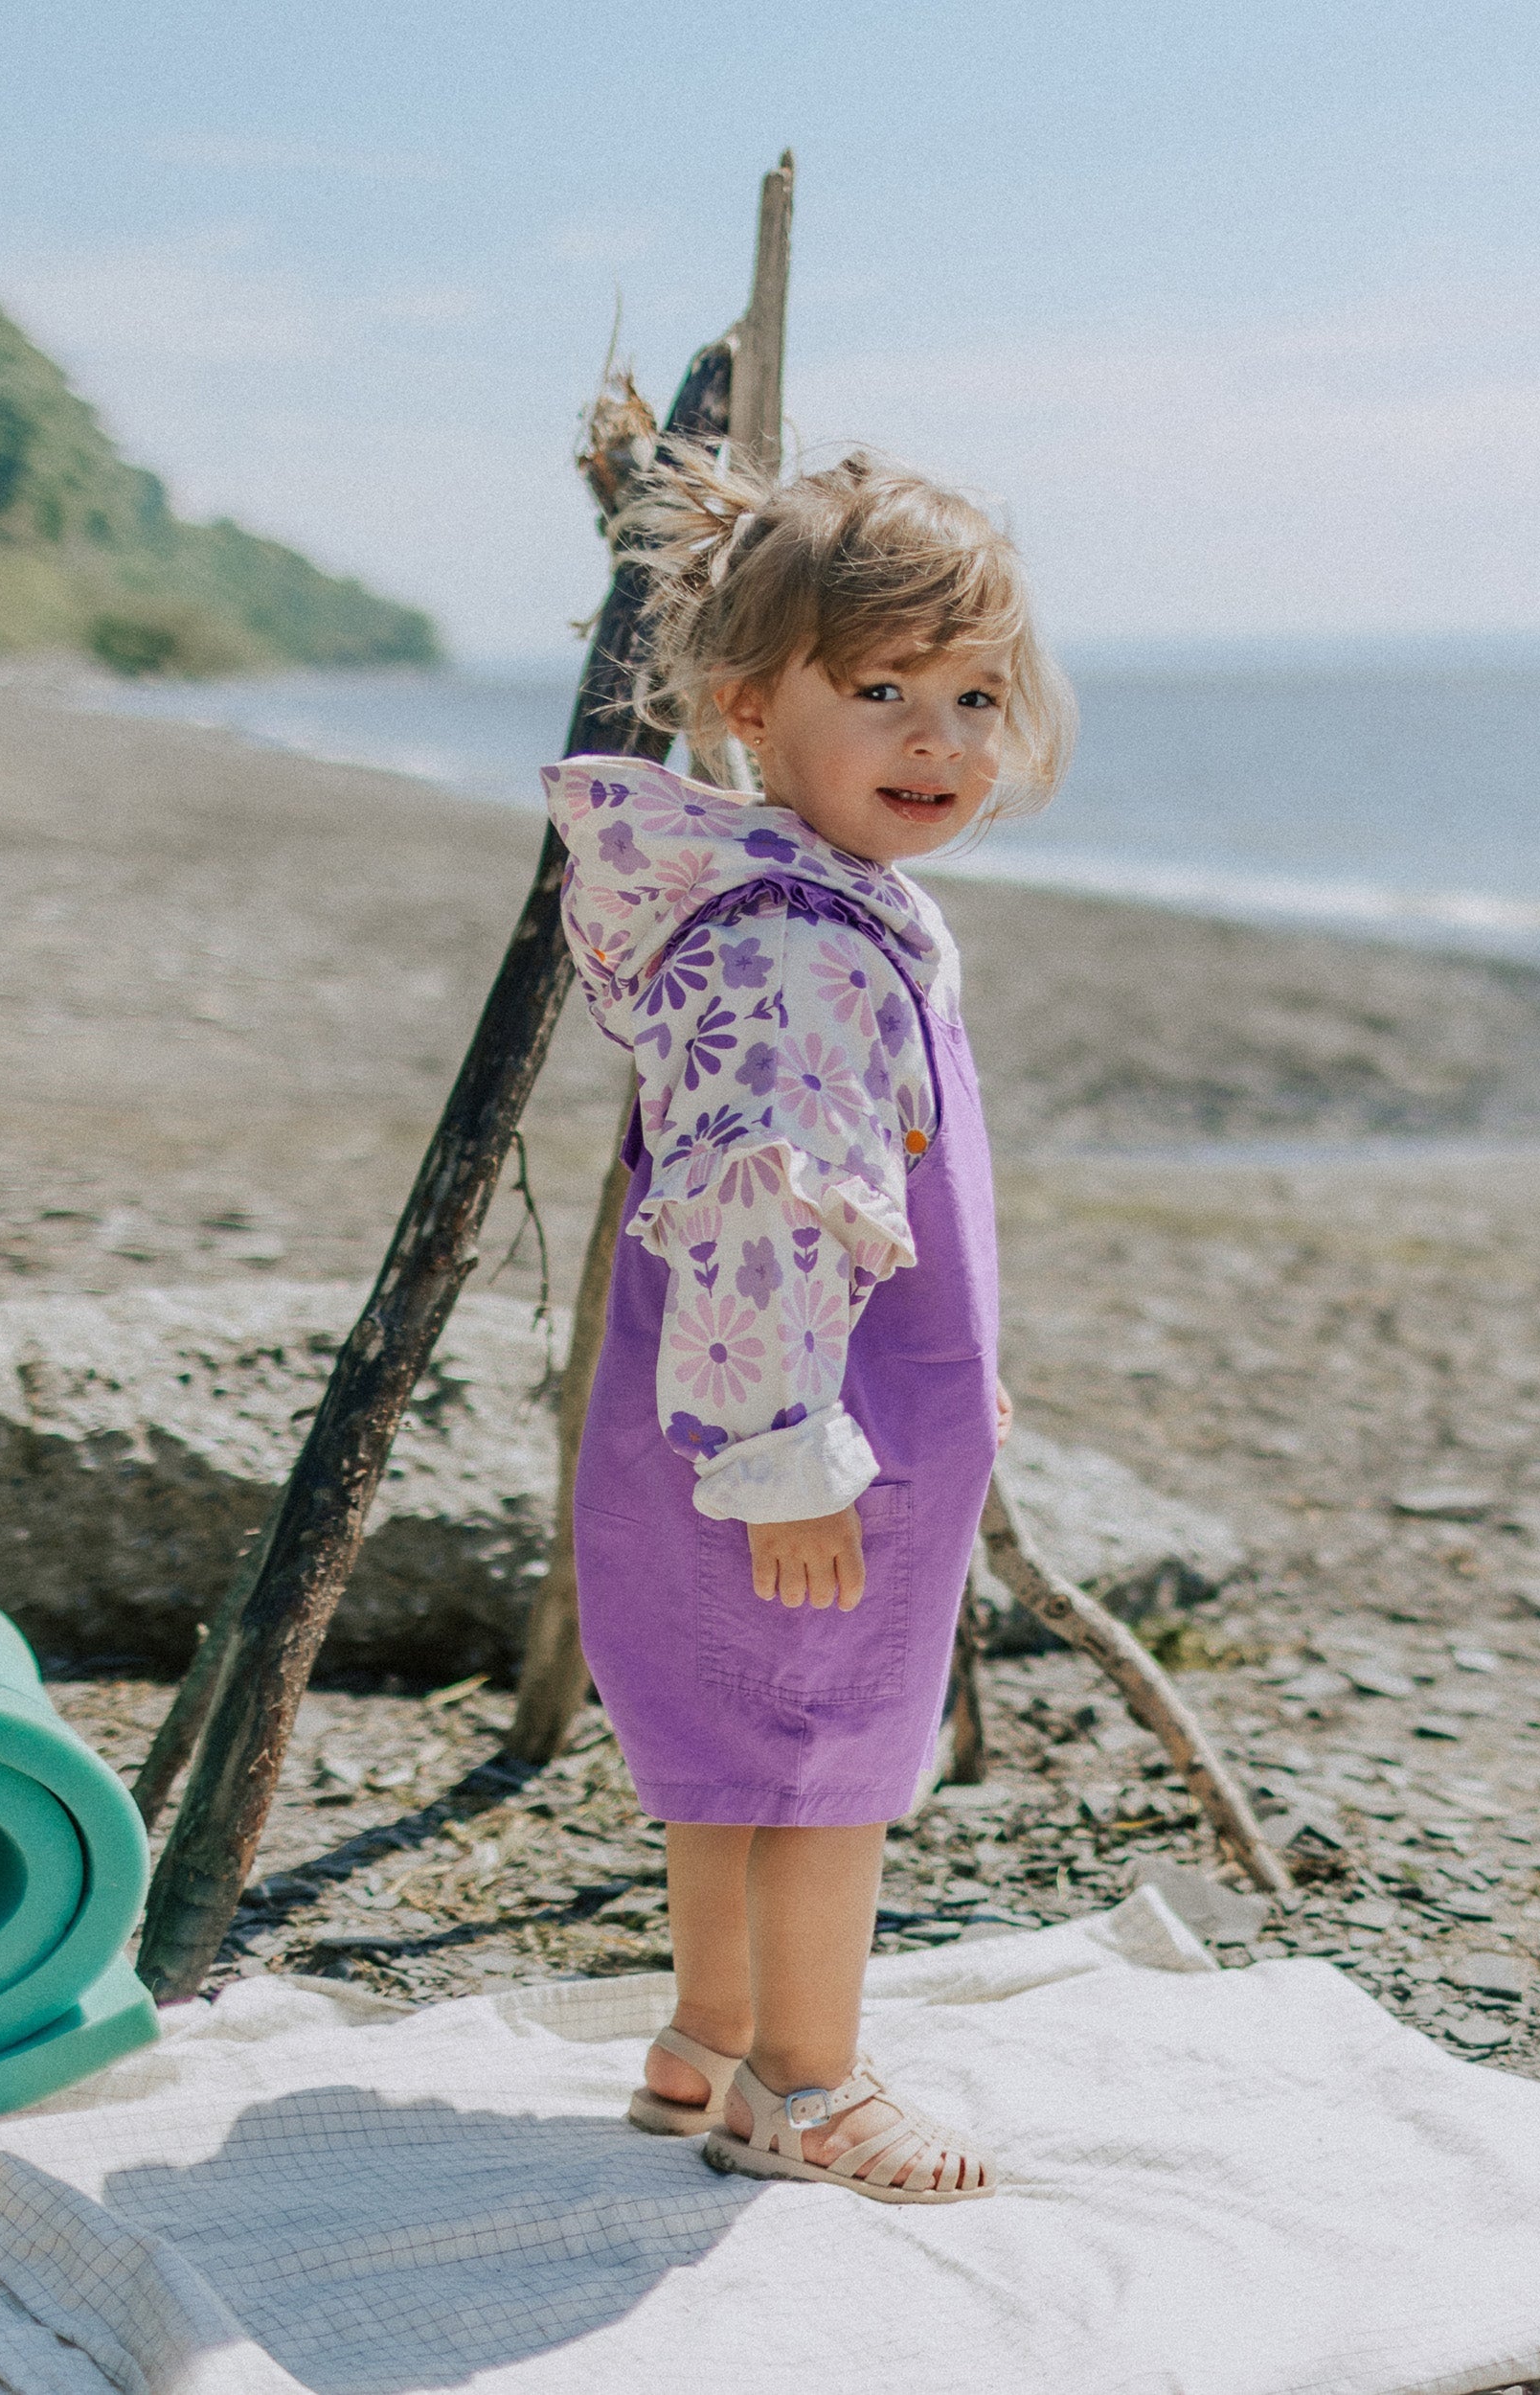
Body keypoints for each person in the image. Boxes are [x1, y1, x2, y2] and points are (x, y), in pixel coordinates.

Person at [540, 444, 1073, 2204]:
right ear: (753, 712)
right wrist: (789, 1466)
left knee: (730, 1747)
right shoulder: (801, 950)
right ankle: (810, 2082)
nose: (942, 741)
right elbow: (763, 1214)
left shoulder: (797, 905)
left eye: (976, 694)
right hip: (804, 1436)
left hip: (713, 1426)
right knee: (827, 1756)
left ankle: (704, 2040)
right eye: (884, 693)